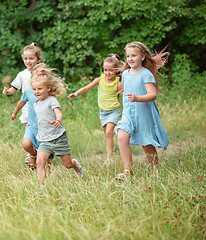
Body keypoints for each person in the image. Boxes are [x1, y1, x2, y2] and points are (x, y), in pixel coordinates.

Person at [115, 41, 170, 180]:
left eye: (134, 55)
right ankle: (128, 171)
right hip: (128, 113)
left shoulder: (146, 74)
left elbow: (152, 94)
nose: (130, 59)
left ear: (143, 57)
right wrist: (120, 89)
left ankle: (154, 171)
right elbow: (126, 90)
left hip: (143, 113)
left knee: (146, 144)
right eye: (128, 56)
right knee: (121, 135)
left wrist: (137, 98)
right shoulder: (126, 74)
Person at [31, 66, 85, 185]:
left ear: (48, 88)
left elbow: (58, 113)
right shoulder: (36, 104)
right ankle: (42, 187)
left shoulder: (52, 100)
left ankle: (76, 165)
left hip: (58, 138)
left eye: (40, 89)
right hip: (45, 139)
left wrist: (58, 120)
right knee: (40, 162)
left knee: (67, 164)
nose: (36, 92)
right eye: (34, 89)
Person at [68, 54, 123, 163]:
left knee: (108, 133)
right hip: (103, 112)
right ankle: (117, 128)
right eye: (105, 70)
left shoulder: (118, 83)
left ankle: (110, 158)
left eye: (111, 70)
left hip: (114, 111)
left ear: (117, 70)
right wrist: (76, 93)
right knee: (108, 135)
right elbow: (87, 87)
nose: (107, 73)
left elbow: (127, 95)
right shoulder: (100, 80)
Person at [10, 63, 49, 170]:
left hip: (45, 127)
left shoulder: (49, 94)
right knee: (26, 144)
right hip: (32, 125)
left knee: (45, 151)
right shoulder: (28, 92)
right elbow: (21, 102)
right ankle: (33, 154)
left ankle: (45, 168)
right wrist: (14, 113)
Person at [3, 43, 44, 127]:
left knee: (41, 126)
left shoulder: (42, 72)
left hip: (41, 103)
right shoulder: (22, 74)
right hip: (27, 105)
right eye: (25, 59)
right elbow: (14, 88)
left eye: (31, 58)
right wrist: (8, 92)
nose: (28, 61)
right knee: (29, 128)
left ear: (38, 59)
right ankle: (30, 140)